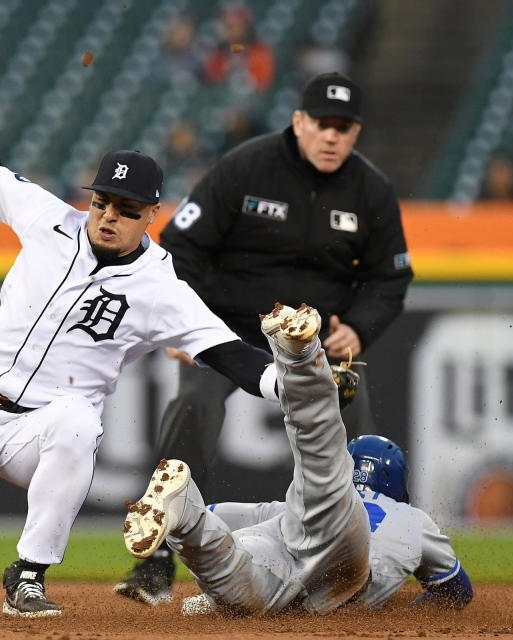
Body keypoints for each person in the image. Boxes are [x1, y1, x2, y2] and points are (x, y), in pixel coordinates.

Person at [0, 19, 282, 619]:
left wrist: (291, 381)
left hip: (44, 426)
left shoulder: (158, 285)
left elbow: (225, 350)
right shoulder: (49, 220)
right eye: (101, 201)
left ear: (151, 213)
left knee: (76, 421)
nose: (107, 216)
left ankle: (28, 572)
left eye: (125, 209)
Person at [115, 71, 413, 604]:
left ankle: (367, 556)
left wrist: (360, 328)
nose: (331, 137)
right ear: (299, 121)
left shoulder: (371, 191)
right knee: (194, 404)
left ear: (356, 133)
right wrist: (183, 321)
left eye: (344, 128)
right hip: (228, 330)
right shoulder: (246, 166)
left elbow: (390, 277)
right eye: (323, 124)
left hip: (310, 339)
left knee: (358, 423)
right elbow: (180, 248)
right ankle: (157, 560)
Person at [123, 302, 371, 616]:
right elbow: (447, 586)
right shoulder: (399, 522)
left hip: (273, 546)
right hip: (342, 545)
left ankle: (185, 519)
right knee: (320, 463)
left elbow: (227, 514)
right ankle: (188, 522)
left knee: (319, 459)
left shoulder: (277, 513)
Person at [181, 434, 474, 614]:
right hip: (343, 593)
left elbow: (235, 512)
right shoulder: (414, 520)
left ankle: (188, 523)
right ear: (393, 480)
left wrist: (198, 514)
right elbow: (458, 592)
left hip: (294, 565)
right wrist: (401, 612)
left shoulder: (318, 506)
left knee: (264, 554)